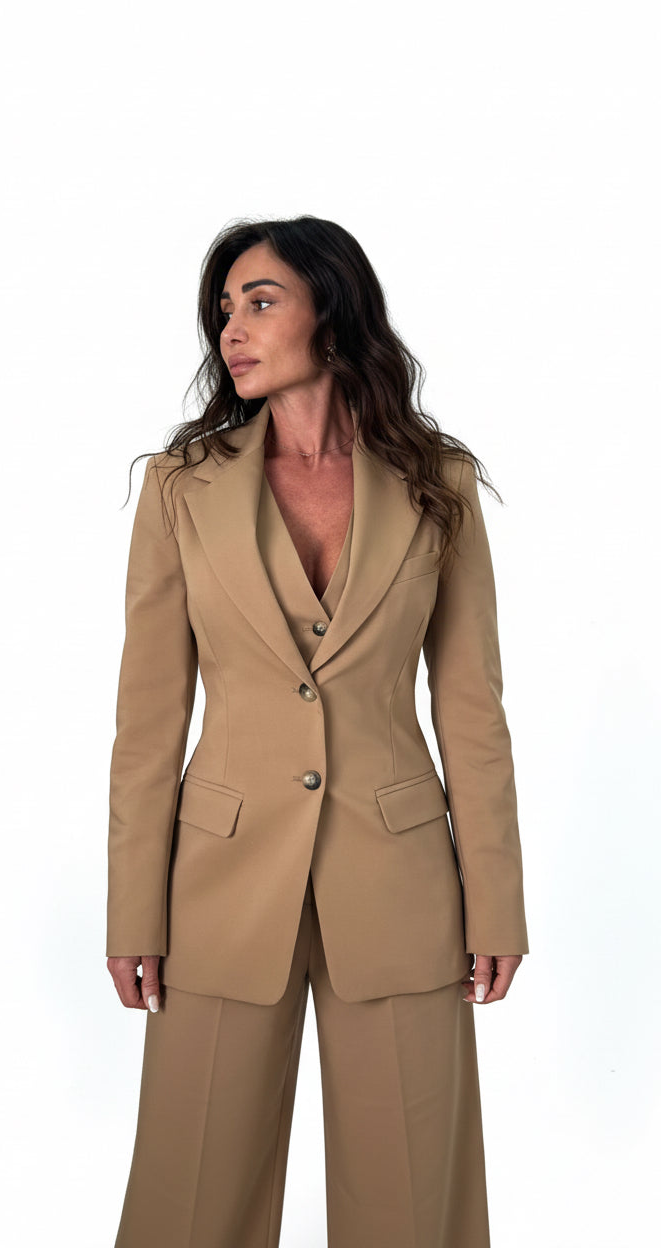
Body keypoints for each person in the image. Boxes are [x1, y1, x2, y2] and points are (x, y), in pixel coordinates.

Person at [106, 215, 529, 1248]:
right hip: (219, 885)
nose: (232, 330)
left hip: (398, 882)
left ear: (331, 315)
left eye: (260, 303)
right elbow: (147, 719)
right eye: (224, 310)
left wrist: (496, 902)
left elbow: (471, 709)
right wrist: (133, 910)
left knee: (412, 1203)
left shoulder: (438, 486)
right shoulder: (181, 488)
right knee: (189, 1198)